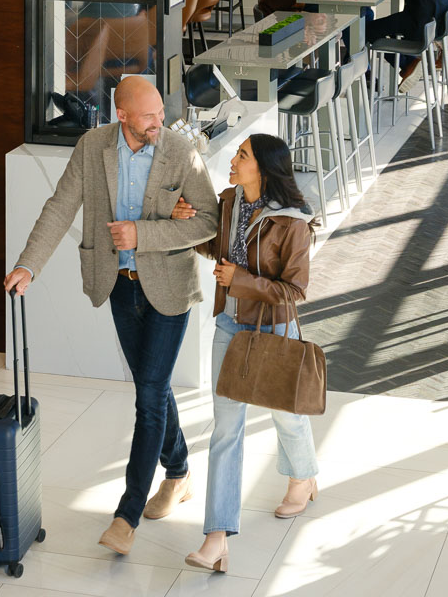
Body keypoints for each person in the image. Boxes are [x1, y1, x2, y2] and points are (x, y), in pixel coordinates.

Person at [5, 78, 222, 555]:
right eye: (148, 115)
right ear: (120, 114)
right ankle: (180, 472)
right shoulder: (92, 146)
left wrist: (143, 235)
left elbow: (209, 220)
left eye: (161, 112)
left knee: (148, 396)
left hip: (169, 288)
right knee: (155, 385)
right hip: (119, 287)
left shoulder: (179, 150)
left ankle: (125, 517)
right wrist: (28, 264)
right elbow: (60, 207)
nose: (158, 122)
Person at [167, 134, 320, 573]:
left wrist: (242, 280)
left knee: (286, 414)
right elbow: (217, 250)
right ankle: (216, 537)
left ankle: (302, 477)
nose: (233, 161)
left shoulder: (292, 222)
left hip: (274, 328)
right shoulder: (231, 200)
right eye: (236, 154)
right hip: (229, 326)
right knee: (226, 430)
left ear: (264, 170)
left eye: (242, 156)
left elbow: (295, 290)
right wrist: (189, 220)